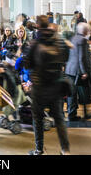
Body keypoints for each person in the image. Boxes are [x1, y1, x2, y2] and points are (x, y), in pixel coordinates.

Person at [25, 15, 71, 155]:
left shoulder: (35, 43)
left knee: (38, 119)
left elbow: (28, 64)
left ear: (37, 26)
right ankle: (65, 149)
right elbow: (65, 57)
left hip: (39, 87)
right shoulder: (59, 40)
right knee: (59, 119)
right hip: (55, 85)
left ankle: (39, 149)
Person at [65, 23, 91, 121]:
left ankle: (72, 113)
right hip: (77, 70)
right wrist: (84, 72)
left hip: (70, 69)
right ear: (85, 31)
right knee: (82, 91)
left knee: (72, 93)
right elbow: (81, 57)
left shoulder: (73, 38)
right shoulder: (82, 40)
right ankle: (79, 114)